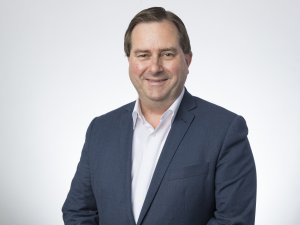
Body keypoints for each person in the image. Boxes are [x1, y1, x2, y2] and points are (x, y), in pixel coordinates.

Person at [62, 6, 256, 225]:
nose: (154, 67)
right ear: (130, 61)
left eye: (167, 54)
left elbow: (233, 221)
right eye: (143, 55)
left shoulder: (225, 131)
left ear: (187, 60)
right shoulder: (100, 130)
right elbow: (79, 212)